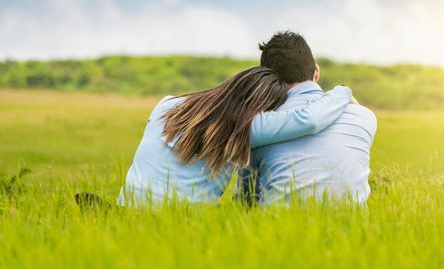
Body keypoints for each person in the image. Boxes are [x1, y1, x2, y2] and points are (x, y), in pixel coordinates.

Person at [118, 66, 353, 206]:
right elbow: (309, 119)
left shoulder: (168, 103)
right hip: (177, 222)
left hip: (124, 208)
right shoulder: (244, 127)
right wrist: (343, 91)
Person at [242, 32, 377, 205]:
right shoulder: (365, 118)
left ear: (267, 80)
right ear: (316, 71)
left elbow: (247, 200)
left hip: (278, 227)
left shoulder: (260, 125)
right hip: (354, 228)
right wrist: (344, 92)